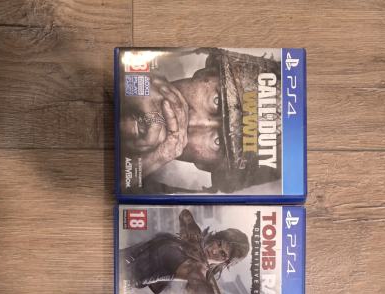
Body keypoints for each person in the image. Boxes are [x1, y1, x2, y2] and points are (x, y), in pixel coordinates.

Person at [120, 49, 281, 193]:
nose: (193, 123)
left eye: (217, 141)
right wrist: (131, 83)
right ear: (204, 73)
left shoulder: (152, 197)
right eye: (216, 101)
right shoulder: (136, 60)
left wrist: (152, 160)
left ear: (204, 166)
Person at [121, 208, 250, 294]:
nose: (214, 251)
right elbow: (184, 213)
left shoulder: (196, 269)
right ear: (216, 237)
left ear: (224, 262)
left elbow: (201, 285)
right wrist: (190, 223)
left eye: (222, 254)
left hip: (121, 279)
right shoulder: (196, 240)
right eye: (219, 243)